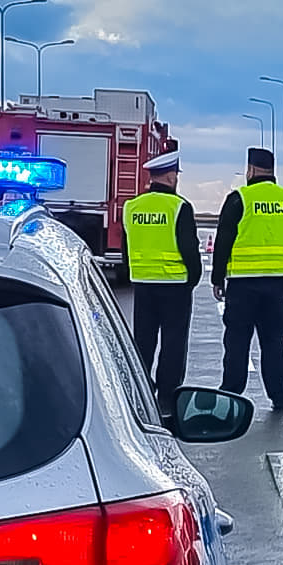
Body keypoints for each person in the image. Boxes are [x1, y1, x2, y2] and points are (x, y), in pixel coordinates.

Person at [214, 144, 283, 411]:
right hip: (277, 287)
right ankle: (279, 395)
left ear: (251, 169)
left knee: (237, 342)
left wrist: (217, 279)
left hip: (243, 286)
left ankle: (232, 393)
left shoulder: (239, 199)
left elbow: (223, 241)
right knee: (274, 343)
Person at [116, 161, 199, 405]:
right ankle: (167, 395)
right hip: (175, 284)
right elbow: (189, 248)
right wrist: (193, 277)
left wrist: (131, 273)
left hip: (143, 283)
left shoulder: (132, 207)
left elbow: (126, 247)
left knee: (143, 339)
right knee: (173, 341)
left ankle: (140, 390)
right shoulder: (179, 207)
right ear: (171, 177)